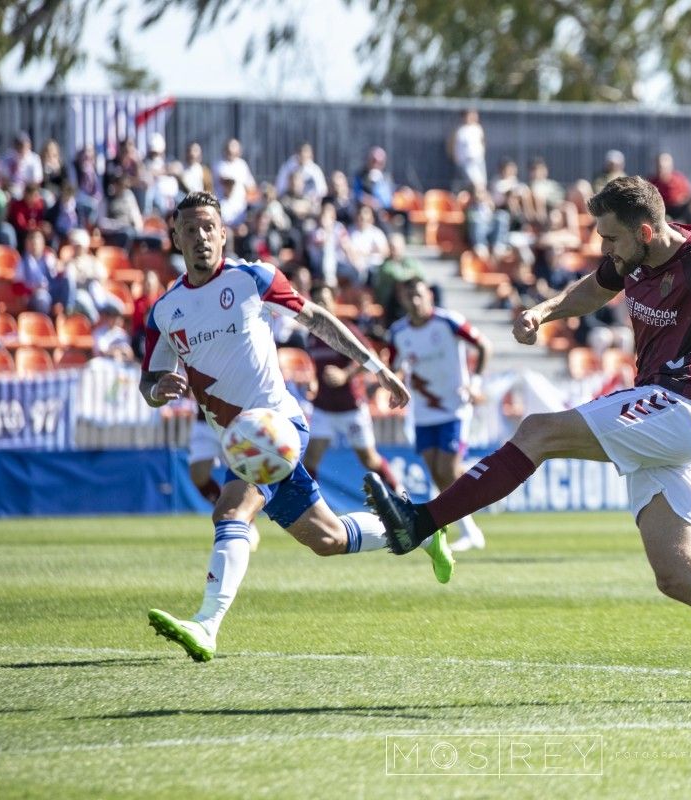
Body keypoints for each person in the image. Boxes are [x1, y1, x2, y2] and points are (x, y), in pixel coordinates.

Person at [363, 177, 691, 702]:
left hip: (680, 407)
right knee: (680, 575)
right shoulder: (633, 256)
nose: (604, 249)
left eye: (611, 239)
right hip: (668, 421)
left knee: (537, 430)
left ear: (644, 230)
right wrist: (545, 312)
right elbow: (595, 287)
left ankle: (421, 522)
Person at [139, 191, 451, 664]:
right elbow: (149, 379)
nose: (201, 236)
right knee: (327, 539)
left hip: (276, 425)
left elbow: (319, 321)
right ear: (176, 238)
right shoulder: (165, 311)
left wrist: (377, 369)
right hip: (237, 441)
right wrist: (159, 389)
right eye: (190, 229)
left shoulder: (252, 278)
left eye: (209, 227)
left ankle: (206, 624)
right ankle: (419, 527)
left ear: (223, 233)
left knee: (230, 512)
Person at [386, 277, 492, 552]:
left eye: (420, 295)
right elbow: (394, 367)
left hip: (455, 407)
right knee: (439, 474)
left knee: (446, 470)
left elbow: (484, 346)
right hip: (422, 413)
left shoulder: (448, 322)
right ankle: (474, 514)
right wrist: (395, 387)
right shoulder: (398, 332)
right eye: (410, 296)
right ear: (403, 300)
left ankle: (473, 522)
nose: (416, 301)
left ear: (429, 296)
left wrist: (476, 383)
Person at [301, 284, 403, 495]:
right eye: (316, 301)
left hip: (351, 406)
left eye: (325, 301)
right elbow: (316, 365)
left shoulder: (344, 329)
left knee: (368, 459)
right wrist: (313, 379)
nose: (320, 305)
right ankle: (310, 506)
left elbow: (369, 357)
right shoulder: (311, 335)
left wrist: (344, 375)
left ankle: (400, 493)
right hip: (323, 406)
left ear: (333, 302)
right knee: (311, 458)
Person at [187, 416, 261, 551]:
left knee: (243, 473)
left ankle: (246, 520)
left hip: (233, 419)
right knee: (198, 475)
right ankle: (232, 512)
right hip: (205, 420)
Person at [449, 108, 487, 191]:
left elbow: (482, 142)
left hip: (478, 161)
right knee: (474, 184)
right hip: (466, 163)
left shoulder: (478, 128)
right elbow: (452, 145)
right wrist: (456, 158)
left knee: (482, 183)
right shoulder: (460, 131)